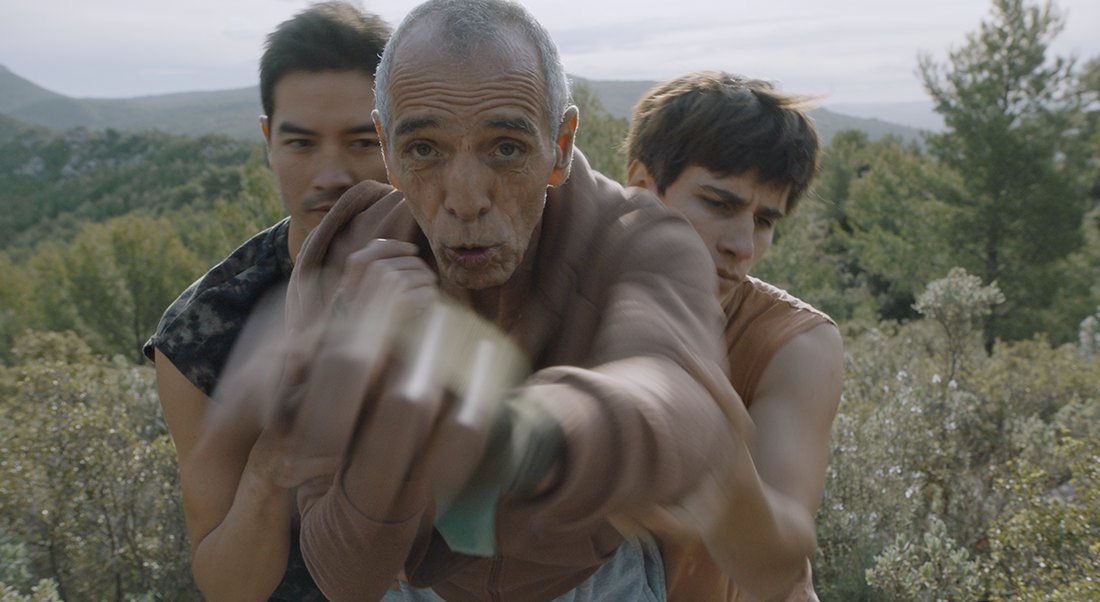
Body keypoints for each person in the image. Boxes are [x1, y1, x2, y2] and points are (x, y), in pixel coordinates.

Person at [193, 1, 750, 600]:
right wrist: (391, 400)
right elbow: (346, 577)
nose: (464, 200)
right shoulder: (345, 253)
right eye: (425, 150)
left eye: (506, 148)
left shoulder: (637, 240)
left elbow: (676, 412)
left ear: (560, 146)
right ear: (388, 149)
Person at [142, 2, 391, 598]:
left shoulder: (479, 261)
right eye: (301, 143)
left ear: (404, 135)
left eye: (362, 141)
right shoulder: (203, 333)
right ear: (267, 141)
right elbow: (228, 585)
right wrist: (268, 469)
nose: (331, 174)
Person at [625, 72, 843, 601]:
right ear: (641, 184)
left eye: (765, 220)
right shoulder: (565, 290)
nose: (742, 245)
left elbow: (776, 571)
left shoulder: (795, 343)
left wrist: (710, 441)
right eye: (719, 204)